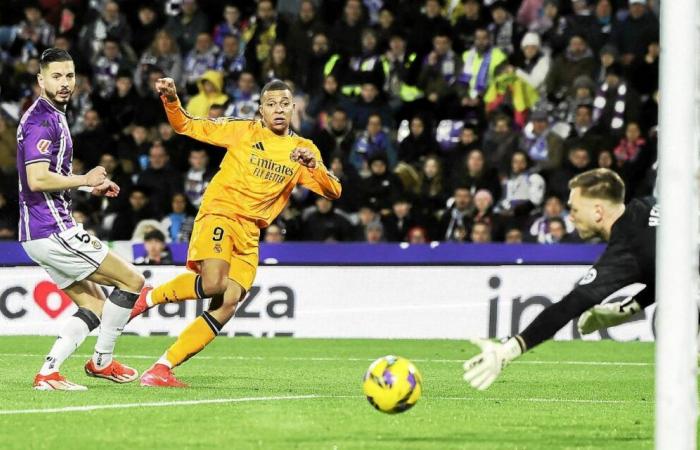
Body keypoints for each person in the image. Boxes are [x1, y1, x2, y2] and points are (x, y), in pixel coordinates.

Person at [130, 77, 341, 387]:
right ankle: (149, 297)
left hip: (250, 232)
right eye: (271, 105)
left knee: (228, 303)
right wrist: (171, 100)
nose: (278, 110)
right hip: (220, 213)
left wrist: (315, 167)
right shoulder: (244, 130)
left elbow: (334, 191)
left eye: (284, 104)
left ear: (294, 108)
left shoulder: (303, 150)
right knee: (214, 284)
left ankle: (162, 368)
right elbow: (186, 126)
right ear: (261, 110)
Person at [17, 48, 145, 390]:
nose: (64, 83)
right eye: (56, 76)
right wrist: (85, 180)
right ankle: (102, 362)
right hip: (52, 228)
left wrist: (90, 188)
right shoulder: (43, 120)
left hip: (41, 230)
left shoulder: (52, 115)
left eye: (69, 76)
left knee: (94, 305)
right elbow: (38, 179)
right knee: (132, 281)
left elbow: (48, 176)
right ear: (40, 79)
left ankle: (49, 372)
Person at [463, 168, 658, 390]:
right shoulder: (648, 206)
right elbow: (668, 274)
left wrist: (509, 350)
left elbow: (568, 307)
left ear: (597, 212)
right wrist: (626, 309)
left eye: (574, 209)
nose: (571, 217)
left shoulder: (625, 250)